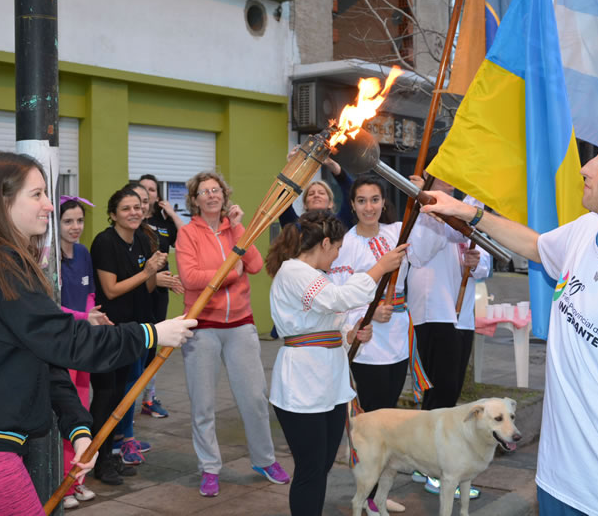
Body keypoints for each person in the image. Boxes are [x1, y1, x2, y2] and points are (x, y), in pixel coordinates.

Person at [420, 120, 598, 515]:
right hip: (554, 483)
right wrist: (467, 213)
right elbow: (537, 246)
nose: (586, 168)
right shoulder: (586, 231)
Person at [0, 151, 196, 515]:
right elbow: (68, 341)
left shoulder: (7, 262)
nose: (49, 206)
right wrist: (150, 334)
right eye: (37, 194)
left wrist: (78, 430)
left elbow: (46, 357)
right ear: (2, 201)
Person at [266, 210, 407, 515]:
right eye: (338, 248)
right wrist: (379, 268)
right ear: (326, 243)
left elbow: (330, 324)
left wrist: (352, 334)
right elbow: (336, 299)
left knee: (323, 465)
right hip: (302, 383)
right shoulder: (293, 271)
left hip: (329, 382)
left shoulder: (319, 276)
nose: (338, 255)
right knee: (310, 468)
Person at [328, 173, 450, 513]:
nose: (369, 207)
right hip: (365, 345)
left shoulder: (398, 231)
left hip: (396, 341)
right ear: (352, 205)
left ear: (384, 203)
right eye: (362, 201)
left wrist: (422, 197)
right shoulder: (345, 244)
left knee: (390, 424)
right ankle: (367, 496)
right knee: (370, 427)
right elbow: (338, 296)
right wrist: (360, 320)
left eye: (375, 200)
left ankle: (378, 495)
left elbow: (426, 249)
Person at [176, 171, 290, 497]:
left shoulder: (235, 230)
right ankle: (210, 468)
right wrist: (229, 273)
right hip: (202, 327)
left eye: (217, 190)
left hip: (240, 324)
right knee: (202, 405)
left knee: (254, 398)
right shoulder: (187, 234)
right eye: (205, 191)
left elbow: (253, 265)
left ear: (224, 196)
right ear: (195, 200)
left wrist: (239, 229)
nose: (212, 195)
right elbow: (190, 277)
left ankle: (265, 460)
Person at [408, 182, 490, 499]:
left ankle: (423, 463)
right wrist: (441, 216)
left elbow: (484, 260)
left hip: (462, 313)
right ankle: (437, 470)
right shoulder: (424, 213)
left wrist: (476, 262)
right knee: (440, 392)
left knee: (449, 390)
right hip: (434, 310)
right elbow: (417, 253)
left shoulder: (463, 209)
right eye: (441, 178)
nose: (448, 184)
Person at [89, 185, 166, 482]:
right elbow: (110, 290)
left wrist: (154, 272)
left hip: (133, 330)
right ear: (113, 215)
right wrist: (147, 272)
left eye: (137, 207)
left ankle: (109, 455)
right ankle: (97, 461)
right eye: (126, 209)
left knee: (120, 397)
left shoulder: (142, 240)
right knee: (105, 397)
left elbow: (147, 287)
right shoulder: (105, 242)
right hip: (109, 331)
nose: (134, 212)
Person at [57, 195, 112, 510]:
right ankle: (61, 484)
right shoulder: (46, 258)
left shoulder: (83, 253)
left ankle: (76, 480)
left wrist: (92, 315)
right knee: (64, 413)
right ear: (55, 224)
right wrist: (83, 317)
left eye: (79, 220)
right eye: (68, 221)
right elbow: (50, 307)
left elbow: (90, 292)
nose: (75, 227)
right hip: (61, 344)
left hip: (83, 342)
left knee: (81, 411)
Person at [138, 174, 184, 418]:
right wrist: (153, 278)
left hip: (159, 293)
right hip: (136, 290)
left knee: (153, 344)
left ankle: (149, 397)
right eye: (143, 188)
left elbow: (187, 237)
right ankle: (126, 402)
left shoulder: (163, 223)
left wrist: (172, 213)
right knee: (137, 343)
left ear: (157, 196)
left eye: (152, 189)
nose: (148, 193)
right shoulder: (132, 222)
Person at [278, 155, 354, 228]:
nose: (316, 195)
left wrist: (334, 167)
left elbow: (351, 191)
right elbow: (283, 202)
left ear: (330, 203)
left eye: (321, 193)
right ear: (305, 205)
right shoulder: (296, 227)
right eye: (311, 194)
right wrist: (294, 168)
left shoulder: (341, 223)